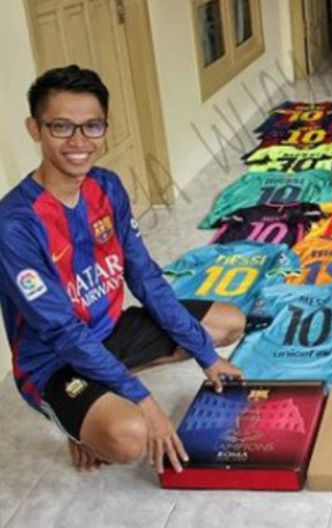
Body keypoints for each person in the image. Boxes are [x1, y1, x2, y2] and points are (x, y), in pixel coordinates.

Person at [0, 65, 246, 473]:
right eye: (61, 127)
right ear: (34, 129)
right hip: (52, 361)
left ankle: (101, 390)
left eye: (92, 126)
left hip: (109, 331)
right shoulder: (15, 224)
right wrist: (144, 401)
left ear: (105, 128)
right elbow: (61, 331)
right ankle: (78, 419)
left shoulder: (107, 186)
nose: (79, 142)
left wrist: (207, 357)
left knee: (227, 324)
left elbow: (145, 277)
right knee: (130, 435)